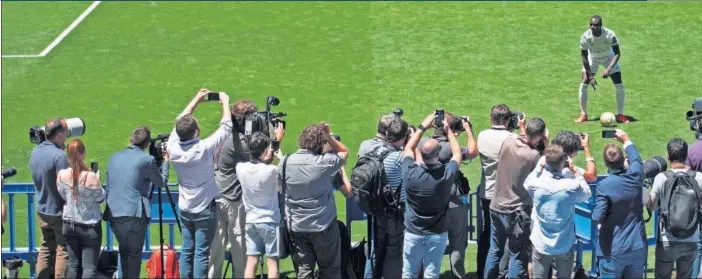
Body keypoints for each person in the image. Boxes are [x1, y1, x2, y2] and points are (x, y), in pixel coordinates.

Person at [166, 89, 233, 278]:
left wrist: (196, 99)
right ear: (196, 132)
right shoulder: (202, 149)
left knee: (187, 249)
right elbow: (226, 127)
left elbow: (180, 119)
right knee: (202, 253)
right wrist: (225, 101)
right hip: (204, 208)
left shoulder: (172, 146)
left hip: (185, 207)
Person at [279, 122, 350, 279]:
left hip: (297, 228)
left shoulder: (284, 162)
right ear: (320, 144)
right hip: (323, 226)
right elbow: (344, 151)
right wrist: (329, 138)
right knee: (330, 270)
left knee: (303, 272)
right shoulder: (324, 163)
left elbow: (280, 189)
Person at [484, 117, 548, 279]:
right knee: (517, 254)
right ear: (540, 136)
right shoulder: (534, 156)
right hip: (517, 212)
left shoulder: (508, 142)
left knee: (494, 250)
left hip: (496, 206)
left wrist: (522, 129)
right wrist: (546, 146)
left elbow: (520, 142)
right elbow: (543, 170)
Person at [400, 112, 461, 279]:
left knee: (408, 273)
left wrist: (422, 126)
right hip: (436, 234)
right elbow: (457, 154)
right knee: (432, 274)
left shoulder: (410, 174)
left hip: (413, 233)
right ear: (438, 154)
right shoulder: (445, 175)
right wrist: (448, 131)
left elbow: (407, 149)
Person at [106, 126, 169, 279]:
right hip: (134, 215)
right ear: (147, 144)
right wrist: (166, 161)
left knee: (124, 250)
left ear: (131, 139)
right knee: (134, 255)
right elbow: (161, 182)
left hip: (114, 214)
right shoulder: (147, 160)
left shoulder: (114, 157)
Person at [419, 112, 478, 279]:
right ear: (450, 129)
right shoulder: (450, 149)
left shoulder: (422, 145)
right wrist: (467, 129)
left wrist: (424, 126)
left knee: (429, 243)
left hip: (428, 204)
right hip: (453, 204)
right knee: (457, 243)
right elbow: (473, 152)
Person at [208, 99, 258, 279]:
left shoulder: (225, 136)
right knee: (241, 248)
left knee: (216, 248)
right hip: (233, 202)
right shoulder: (240, 143)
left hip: (218, 196)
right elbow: (261, 157)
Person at [524, 144, 591, 279]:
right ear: (563, 162)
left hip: (541, 243)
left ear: (546, 162)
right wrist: (575, 171)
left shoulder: (536, 184)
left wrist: (539, 167)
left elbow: (527, 183)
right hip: (564, 244)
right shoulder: (571, 186)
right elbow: (587, 193)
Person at [476, 104, 524, 278]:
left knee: (488, 232)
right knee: (506, 238)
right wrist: (523, 129)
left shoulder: (482, 135)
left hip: (487, 193)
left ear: (491, 119)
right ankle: (502, 273)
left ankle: (483, 271)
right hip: (507, 196)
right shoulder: (513, 138)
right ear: (509, 120)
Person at [592, 129, 647, 278]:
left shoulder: (604, 186)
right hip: (637, 247)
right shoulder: (636, 175)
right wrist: (626, 140)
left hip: (613, 250)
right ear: (624, 160)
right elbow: (636, 160)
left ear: (605, 163)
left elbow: (597, 216)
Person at [649, 138, 702, 279]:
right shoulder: (699, 178)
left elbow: (651, 206)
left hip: (667, 240)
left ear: (668, 155)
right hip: (691, 238)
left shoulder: (661, 178)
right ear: (686, 156)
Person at [365, 117, 409, 279]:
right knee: (394, 253)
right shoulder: (398, 158)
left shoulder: (373, 152)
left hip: (376, 211)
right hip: (394, 214)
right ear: (403, 138)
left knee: (375, 252)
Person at [237, 130, 284, 279]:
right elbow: (283, 173)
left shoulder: (240, 168)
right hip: (269, 221)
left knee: (251, 261)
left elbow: (259, 164)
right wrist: (279, 155)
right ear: (265, 150)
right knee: (272, 263)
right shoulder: (271, 171)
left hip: (251, 221)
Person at [57, 139, 105, 279]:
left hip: (69, 224)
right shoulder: (90, 177)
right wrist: (98, 180)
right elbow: (100, 198)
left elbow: (62, 194)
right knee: (89, 266)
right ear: (83, 154)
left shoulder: (61, 175)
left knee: (73, 264)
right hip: (88, 226)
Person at [29, 118, 70, 279]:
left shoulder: (36, 151)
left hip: (42, 209)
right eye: (65, 133)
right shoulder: (59, 156)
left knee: (45, 247)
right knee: (62, 248)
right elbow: (64, 184)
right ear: (59, 135)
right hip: (58, 211)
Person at [575, 15, 629, 124]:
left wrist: (609, 69)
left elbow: (617, 53)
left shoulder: (610, 35)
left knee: (619, 83)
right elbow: (584, 57)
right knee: (584, 82)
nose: (592, 27)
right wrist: (590, 76)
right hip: (592, 59)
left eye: (595, 25)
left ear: (600, 25)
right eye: (591, 24)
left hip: (608, 58)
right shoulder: (585, 37)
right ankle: (583, 115)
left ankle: (620, 114)